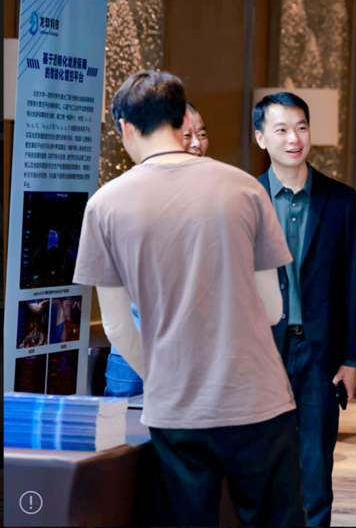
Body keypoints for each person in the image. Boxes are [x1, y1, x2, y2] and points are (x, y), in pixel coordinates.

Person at [73, 70, 306, 526]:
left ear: (124, 127)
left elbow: (118, 326)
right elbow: (273, 309)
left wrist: (163, 375)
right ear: (183, 120)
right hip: (257, 399)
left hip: (175, 408)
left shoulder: (104, 205)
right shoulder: (245, 188)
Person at [253, 91, 356, 527]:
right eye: (281, 129)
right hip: (260, 353)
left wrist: (351, 359)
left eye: (301, 127)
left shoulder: (341, 200)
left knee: (316, 472)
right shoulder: (245, 198)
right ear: (261, 137)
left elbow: (353, 281)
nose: (293, 138)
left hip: (320, 356)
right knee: (260, 465)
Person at [103, 102, 209, 398]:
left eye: (202, 134)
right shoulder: (128, 195)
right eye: (186, 135)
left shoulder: (216, 197)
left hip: (193, 353)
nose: (197, 144)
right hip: (132, 351)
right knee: (121, 426)